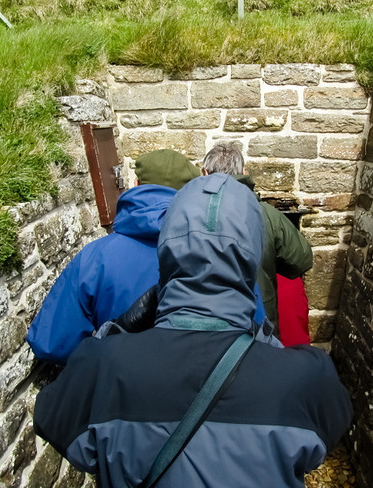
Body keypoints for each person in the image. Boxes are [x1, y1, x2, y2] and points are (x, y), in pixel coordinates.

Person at [33, 173, 353, 487]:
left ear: (167, 247)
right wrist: (263, 336)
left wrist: (117, 331)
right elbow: (323, 439)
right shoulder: (307, 378)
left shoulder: (100, 368)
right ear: (254, 252)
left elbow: (52, 418)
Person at [25, 148, 199, 365]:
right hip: (194, 387)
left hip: (117, 384)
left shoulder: (96, 256)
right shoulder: (215, 252)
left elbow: (51, 344)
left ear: (135, 184)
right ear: (190, 193)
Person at [201, 142, 313, 340]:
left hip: (205, 327)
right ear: (244, 172)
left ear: (204, 173)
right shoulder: (267, 215)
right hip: (258, 327)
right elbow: (301, 260)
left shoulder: (187, 212)